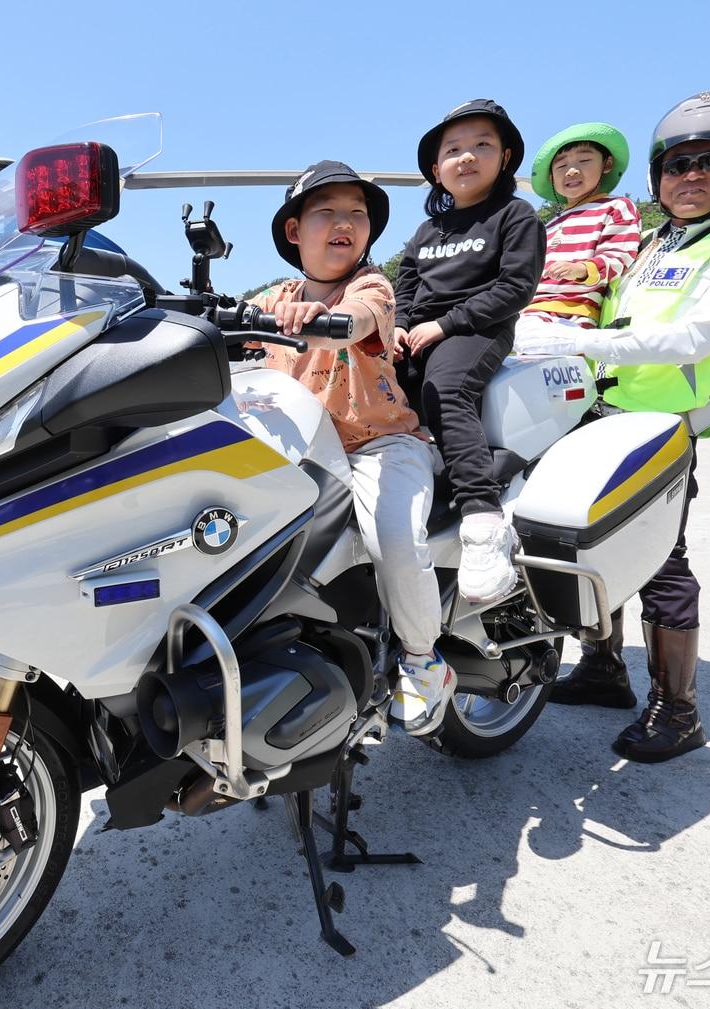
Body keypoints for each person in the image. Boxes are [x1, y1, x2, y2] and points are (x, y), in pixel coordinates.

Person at [515, 91, 710, 763]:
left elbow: (698, 335)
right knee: (579, 543)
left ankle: (678, 707)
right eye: (677, 164)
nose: (691, 177)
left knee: (662, 560)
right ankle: (604, 669)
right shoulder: (644, 245)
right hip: (592, 414)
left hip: (659, 427)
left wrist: (578, 345)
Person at [251, 161, 456, 735]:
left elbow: (360, 316)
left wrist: (323, 318)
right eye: (326, 212)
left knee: (390, 533)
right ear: (295, 231)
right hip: (299, 453)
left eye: (357, 214)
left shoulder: (370, 286)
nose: (344, 223)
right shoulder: (276, 296)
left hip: (379, 443)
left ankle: (422, 660)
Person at [392, 99, 546, 604]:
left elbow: (515, 288)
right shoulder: (425, 232)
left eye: (482, 145)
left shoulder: (515, 216)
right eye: (453, 149)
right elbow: (406, 289)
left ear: (504, 159)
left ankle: (482, 521)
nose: (466, 157)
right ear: (436, 170)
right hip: (422, 331)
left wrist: (445, 325)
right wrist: (396, 327)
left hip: (478, 329)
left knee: (445, 387)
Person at [517, 123, 641, 331]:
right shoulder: (549, 225)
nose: (572, 171)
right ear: (551, 177)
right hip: (529, 311)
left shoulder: (615, 207)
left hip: (574, 312)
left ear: (607, 164)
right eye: (561, 166)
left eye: (584, 160)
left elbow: (620, 256)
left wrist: (582, 269)